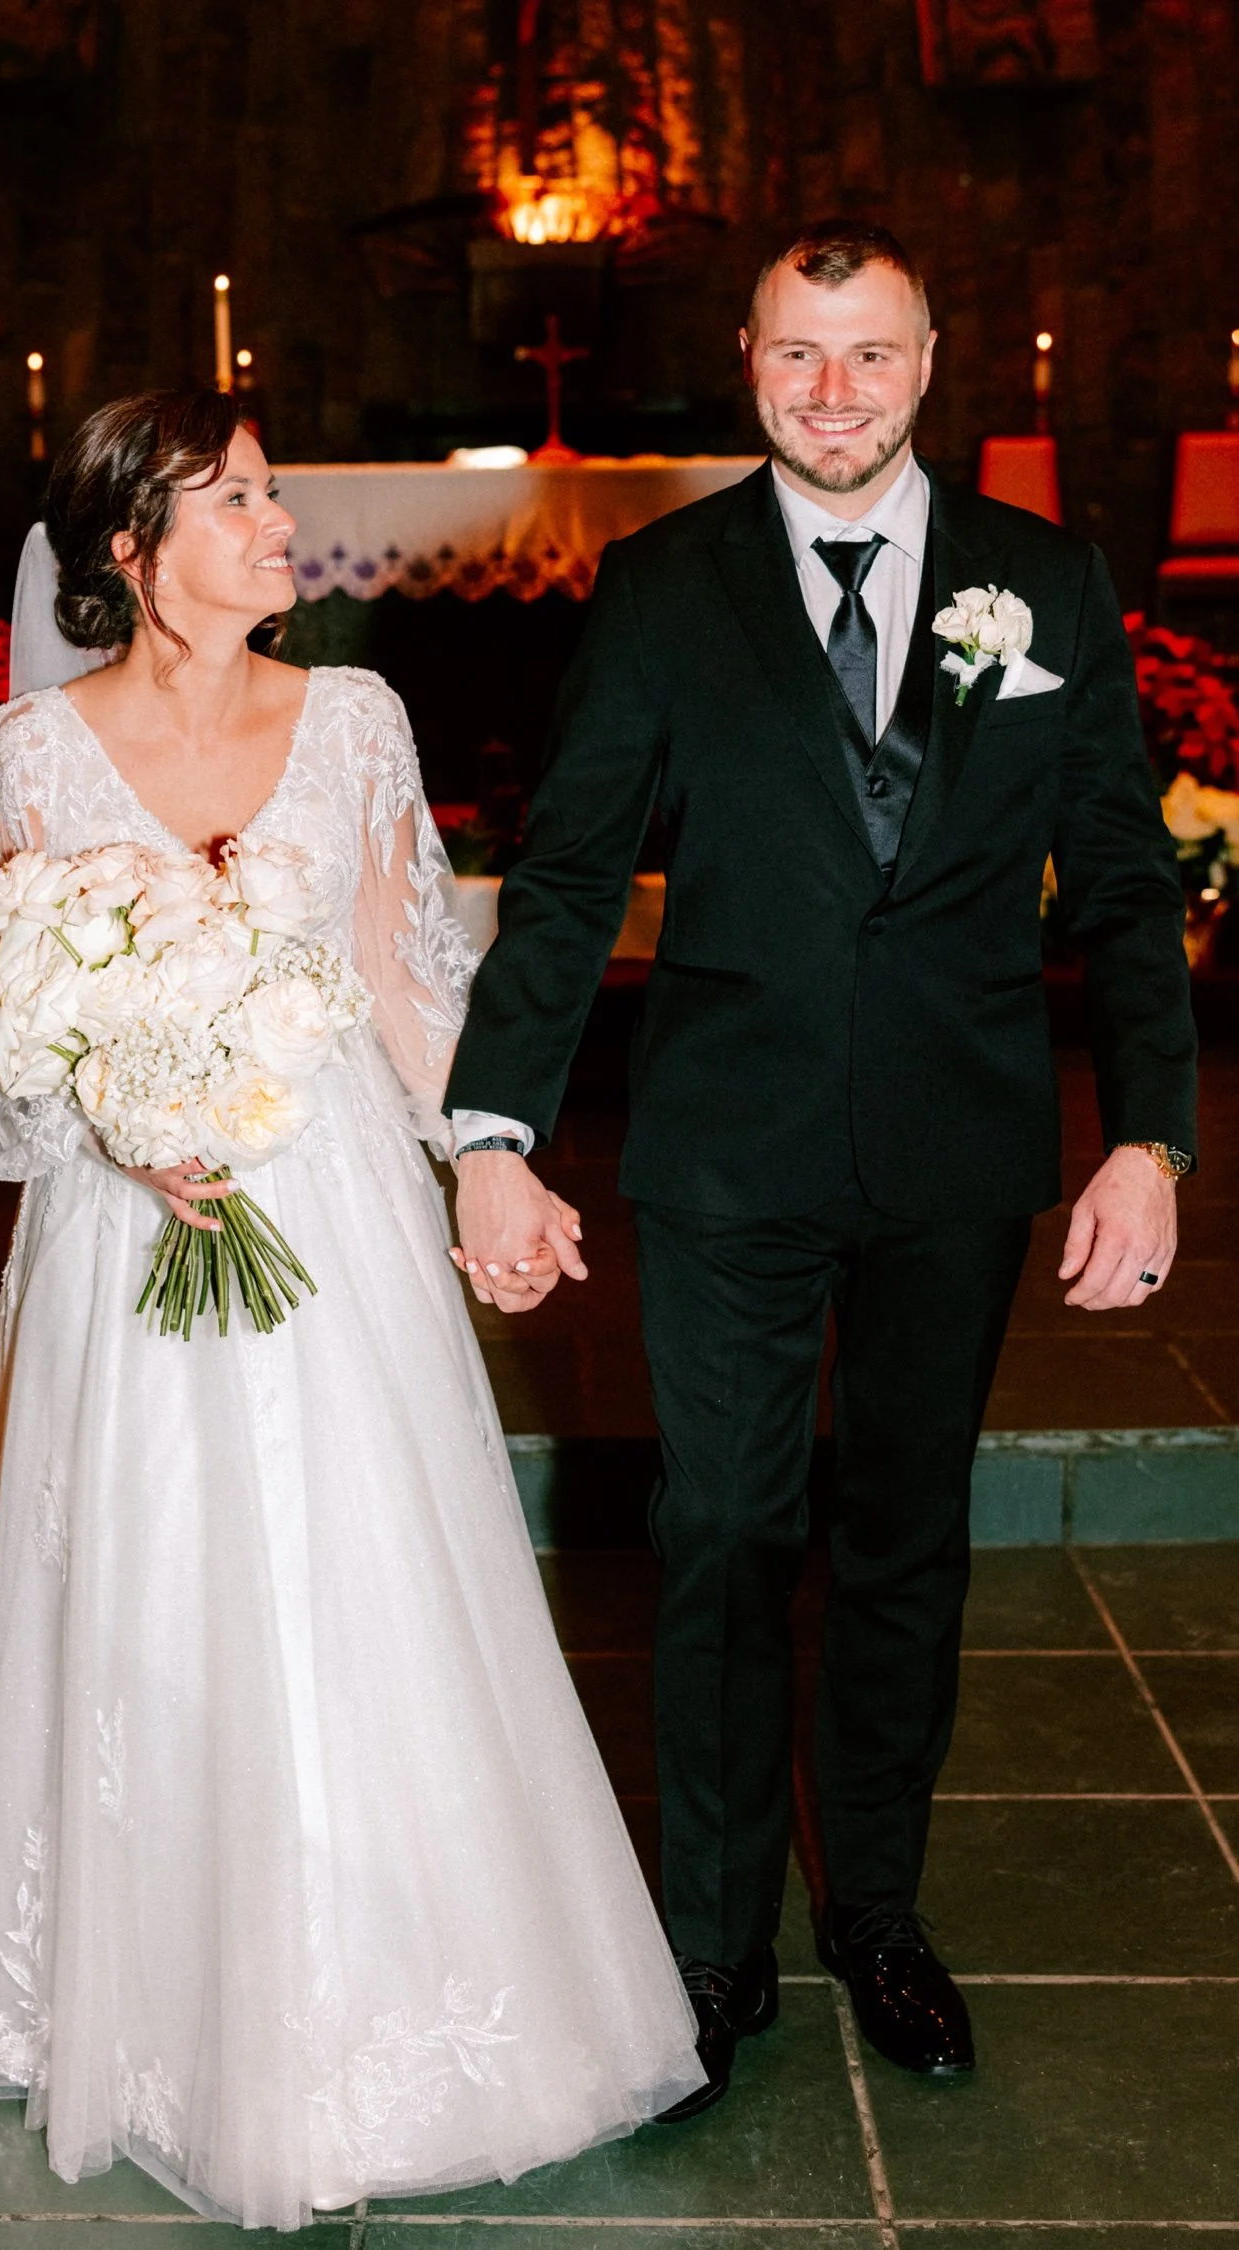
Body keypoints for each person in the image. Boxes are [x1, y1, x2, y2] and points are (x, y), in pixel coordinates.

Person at [0, 388, 702, 2232]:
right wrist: (119, 1113)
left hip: (331, 1212)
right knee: (156, 1602)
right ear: (133, 550)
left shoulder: (354, 718)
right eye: (244, 499)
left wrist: (486, 1164)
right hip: (126, 1240)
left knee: (371, 1582)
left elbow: (409, 984)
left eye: (276, 495)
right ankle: (162, 2000)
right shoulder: (28, 754)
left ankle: (402, 1997)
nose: (284, 524)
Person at [446, 221, 1198, 2111]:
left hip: (960, 1149)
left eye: (870, 354)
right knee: (716, 1535)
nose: (835, 392)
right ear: (749, 362)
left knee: (906, 1543)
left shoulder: (1049, 581)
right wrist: (489, 1128)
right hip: (728, 1150)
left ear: (931, 361)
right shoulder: (661, 585)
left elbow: (1120, 880)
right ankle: (709, 1947)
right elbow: (563, 876)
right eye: (800, 355)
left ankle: (877, 1908)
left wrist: (1153, 1138)